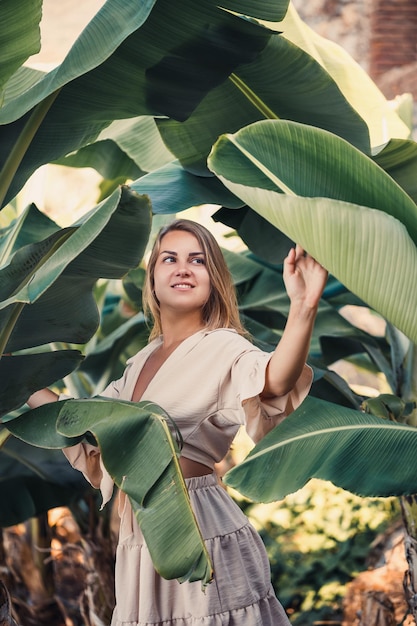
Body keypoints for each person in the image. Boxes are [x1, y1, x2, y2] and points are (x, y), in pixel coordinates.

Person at [28, 218, 328, 626]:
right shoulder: (140, 362)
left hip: (199, 528)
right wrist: (14, 375)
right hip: (141, 532)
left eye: (197, 260)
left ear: (213, 281)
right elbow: (80, 425)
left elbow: (274, 379)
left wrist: (304, 307)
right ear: (151, 280)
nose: (182, 267)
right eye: (169, 258)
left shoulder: (223, 345)